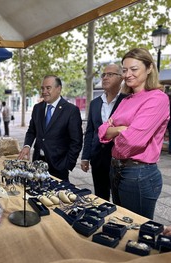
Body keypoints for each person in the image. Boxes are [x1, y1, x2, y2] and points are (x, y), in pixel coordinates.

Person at [98, 48, 169, 219]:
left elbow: (132, 141)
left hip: (139, 174)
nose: (128, 74)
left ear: (149, 68)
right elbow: (102, 132)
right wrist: (120, 130)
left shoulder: (157, 98)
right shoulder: (126, 100)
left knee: (136, 232)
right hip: (116, 169)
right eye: (124, 70)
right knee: (120, 226)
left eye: (134, 69)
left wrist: (114, 131)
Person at [18, 75, 83, 181]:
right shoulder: (37, 108)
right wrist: (27, 146)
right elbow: (31, 131)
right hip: (37, 164)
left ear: (59, 89)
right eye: (42, 88)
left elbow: (76, 141)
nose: (44, 91)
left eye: (48, 88)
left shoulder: (71, 110)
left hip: (59, 167)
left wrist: (67, 164)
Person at [81, 64, 126, 200]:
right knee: (100, 198)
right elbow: (90, 132)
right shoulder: (95, 103)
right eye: (103, 75)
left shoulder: (127, 100)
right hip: (98, 158)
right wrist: (85, 156)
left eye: (110, 74)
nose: (105, 78)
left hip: (119, 160)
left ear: (121, 78)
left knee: (120, 200)